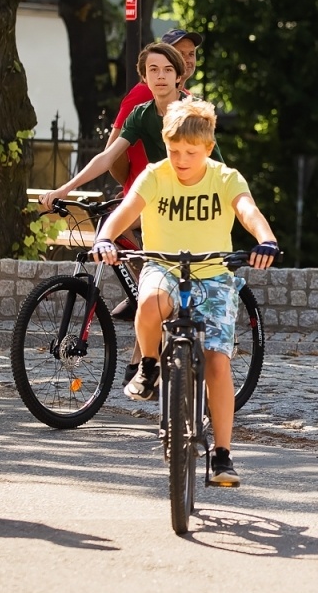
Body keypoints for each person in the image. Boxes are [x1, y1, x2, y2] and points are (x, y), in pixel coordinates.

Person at [90, 97, 278, 487]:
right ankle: (148, 366)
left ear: (208, 148)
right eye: (174, 150)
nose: (180, 159)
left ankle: (223, 455)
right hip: (163, 265)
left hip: (213, 274)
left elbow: (247, 211)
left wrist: (265, 239)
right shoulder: (156, 176)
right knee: (152, 301)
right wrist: (106, 238)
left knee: (217, 363)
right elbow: (124, 212)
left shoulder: (226, 178)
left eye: (190, 152)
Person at [39, 41, 218, 209]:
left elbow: (216, 167)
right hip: (162, 199)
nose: (161, 76)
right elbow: (108, 156)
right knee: (113, 223)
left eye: (168, 70)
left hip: (196, 201)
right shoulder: (140, 114)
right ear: (144, 77)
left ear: (178, 76)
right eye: (153, 70)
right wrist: (65, 189)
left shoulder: (194, 111)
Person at [108, 29, 204, 191]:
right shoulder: (145, 92)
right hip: (146, 200)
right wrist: (131, 187)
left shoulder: (188, 98)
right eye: (180, 53)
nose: (187, 60)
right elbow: (112, 153)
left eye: (191, 54)